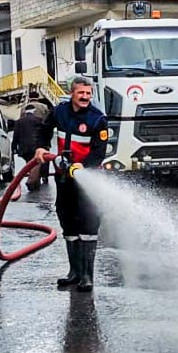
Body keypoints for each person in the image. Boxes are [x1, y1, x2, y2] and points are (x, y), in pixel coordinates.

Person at [36, 77, 109, 292]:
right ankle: (74, 272)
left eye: (88, 93)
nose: (85, 97)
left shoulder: (98, 119)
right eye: (81, 93)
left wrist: (81, 167)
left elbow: (99, 152)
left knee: (87, 222)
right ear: (72, 93)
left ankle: (87, 276)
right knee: (67, 219)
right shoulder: (59, 112)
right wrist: (41, 148)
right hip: (63, 178)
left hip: (87, 179)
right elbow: (44, 130)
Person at [11, 104, 48, 190]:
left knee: (30, 163)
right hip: (36, 146)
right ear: (34, 111)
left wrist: (13, 148)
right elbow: (44, 133)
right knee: (36, 163)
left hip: (24, 148)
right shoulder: (39, 120)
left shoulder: (19, 122)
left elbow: (15, 135)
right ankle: (31, 181)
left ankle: (35, 183)